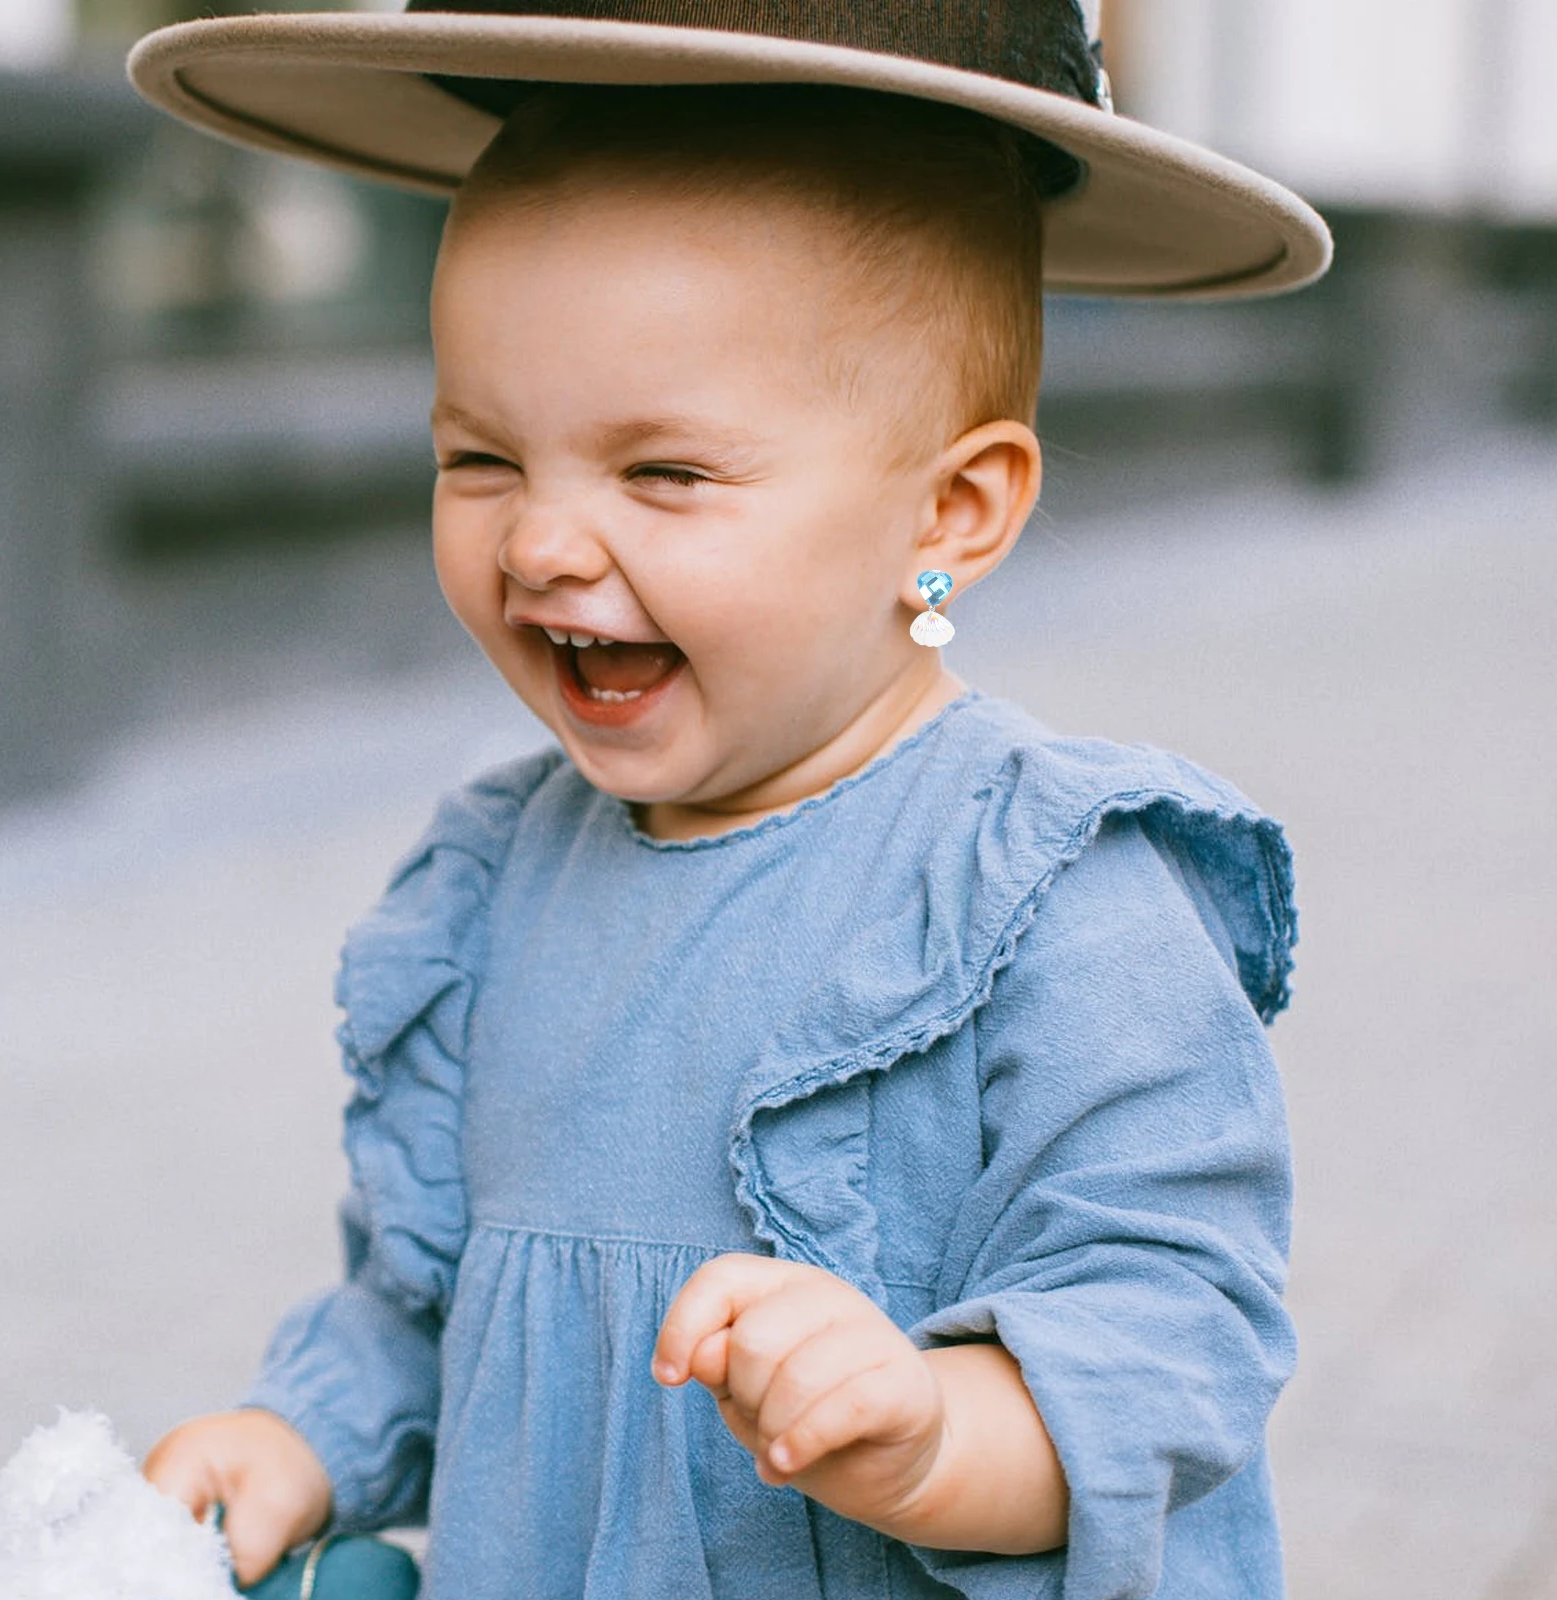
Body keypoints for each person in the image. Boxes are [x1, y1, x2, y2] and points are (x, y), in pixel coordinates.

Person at [129, 4, 1330, 1597]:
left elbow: (1173, 1326)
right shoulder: (493, 882)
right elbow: (430, 1291)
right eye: (480, 458)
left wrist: (937, 1433)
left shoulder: (1052, 892)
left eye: (665, 475)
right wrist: (304, 1435)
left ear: (951, 513)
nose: (540, 544)